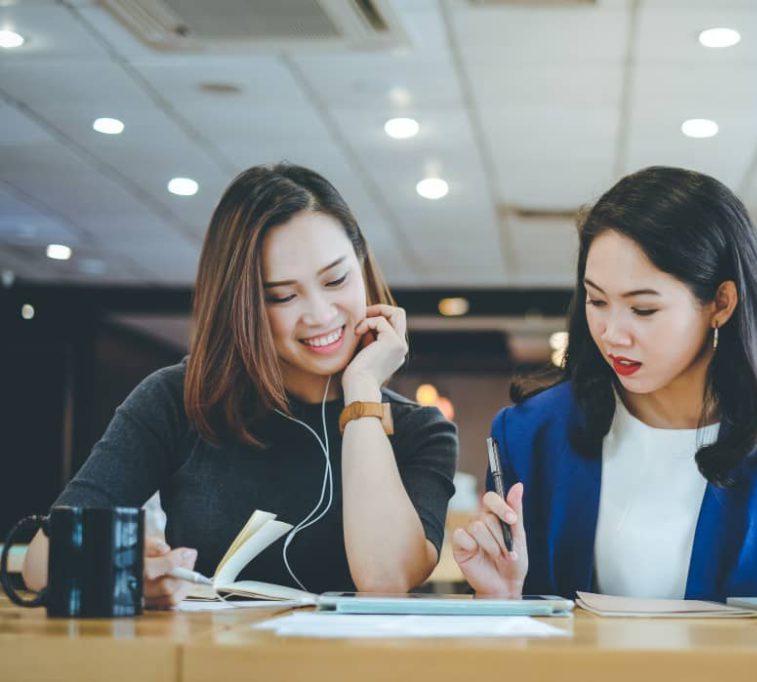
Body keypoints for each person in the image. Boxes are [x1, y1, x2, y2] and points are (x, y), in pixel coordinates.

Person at [23, 163, 457, 607]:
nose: (321, 314)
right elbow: (40, 564)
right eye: (283, 296)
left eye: (336, 279)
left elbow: (385, 580)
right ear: (243, 302)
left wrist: (362, 389)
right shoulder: (178, 399)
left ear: (362, 264)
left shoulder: (420, 430)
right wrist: (130, 572)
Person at [453, 166, 757, 601]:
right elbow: (523, 642)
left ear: (720, 303)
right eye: (597, 300)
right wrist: (503, 598)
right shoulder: (533, 435)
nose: (612, 333)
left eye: (643, 310)